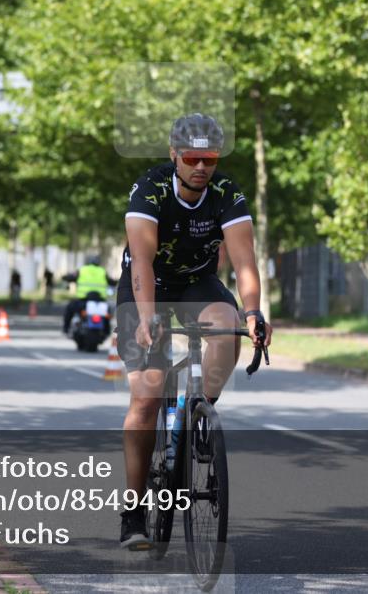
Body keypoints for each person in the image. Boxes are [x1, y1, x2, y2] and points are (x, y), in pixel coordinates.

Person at [116, 113, 272, 550]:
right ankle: (133, 512)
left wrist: (254, 312)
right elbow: (141, 261)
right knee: (146, 396)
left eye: (210, 159)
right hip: (147, 284)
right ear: (174, 155)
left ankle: (201, 412)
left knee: (227, 323)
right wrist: (146, 317)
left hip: (197, 282)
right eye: (191, 158)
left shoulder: (226, 193)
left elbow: (244, 262)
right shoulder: (150, 188)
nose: (201, 167)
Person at [62, 255, 116, 335]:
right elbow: (112, 282)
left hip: (84, 300)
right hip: (99, 301)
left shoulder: (82, 270)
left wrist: (65, 277)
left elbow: (70, 277)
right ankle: (106, 331)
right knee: (107, 313)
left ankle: (66, 328)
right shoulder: (102, 271)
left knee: (69, 308)